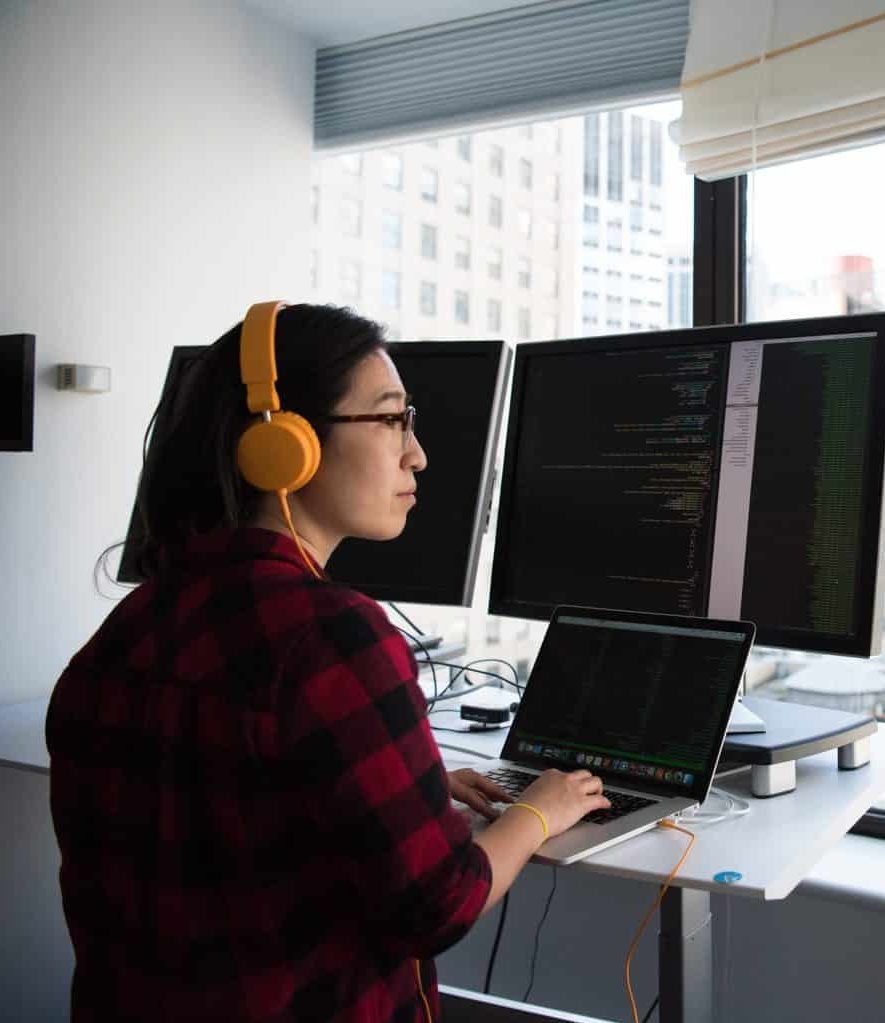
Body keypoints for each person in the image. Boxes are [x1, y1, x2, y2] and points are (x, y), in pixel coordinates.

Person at [46, 301, 610, 1022]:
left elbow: (221, 793)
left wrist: (400, 779)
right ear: (284, 445)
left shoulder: (125, 630)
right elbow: (438, 904)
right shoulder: (332, 637)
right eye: (390, 419)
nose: (417, 453)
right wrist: (538, 808)